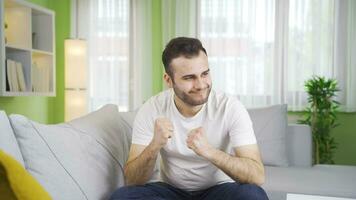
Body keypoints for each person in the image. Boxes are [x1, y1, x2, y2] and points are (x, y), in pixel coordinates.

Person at [110, 37, 269, 200]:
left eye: (205, 74)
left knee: (253, 195)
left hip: (219, 190)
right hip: (169, 191)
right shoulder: (152, 109)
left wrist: (209, 152)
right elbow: (132, 179)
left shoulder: (230, 107)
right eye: (189, 78)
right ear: (168, 80)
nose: (201, 84)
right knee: (122, 196)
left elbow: (257, 176)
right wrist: (154, 145)